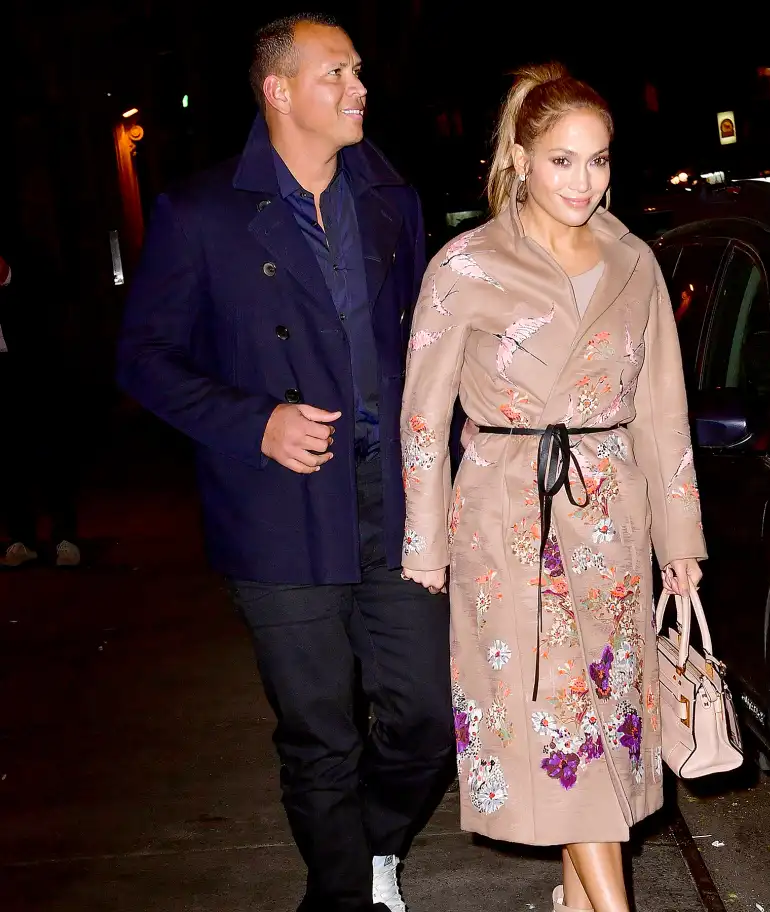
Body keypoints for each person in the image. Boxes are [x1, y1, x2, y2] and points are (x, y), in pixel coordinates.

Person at [117, 13, 453, 912]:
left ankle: (376, 847)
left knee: (427, 715)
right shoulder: (201, 213)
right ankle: (340, 893)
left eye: (358, 69)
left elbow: (428, 343)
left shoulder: (392, 199)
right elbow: (142, 358)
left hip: (394, 497)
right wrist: (253, 420)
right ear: (278, 91)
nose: (359, 87)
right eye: (336, 73)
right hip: (279, 507)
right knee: (319, 733)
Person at [400, 64, 706, 912]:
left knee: (604, 723)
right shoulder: (465, 265)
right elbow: (421, 414)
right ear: (521, 157)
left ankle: (579, 904)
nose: (584, 181)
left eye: (599, 161)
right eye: (563, 160)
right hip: (507, 521)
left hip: (612, 515)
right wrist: (424, 542)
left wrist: (680, 544)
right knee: (559, 717)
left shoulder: (635, 263)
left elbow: (664, 412)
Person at [0, 241, 81, 568]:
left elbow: (50, 316)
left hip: (35, 377)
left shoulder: (29, 275)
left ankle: (66, 538)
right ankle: (21, 539)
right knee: (8, 463)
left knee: (49, 459)